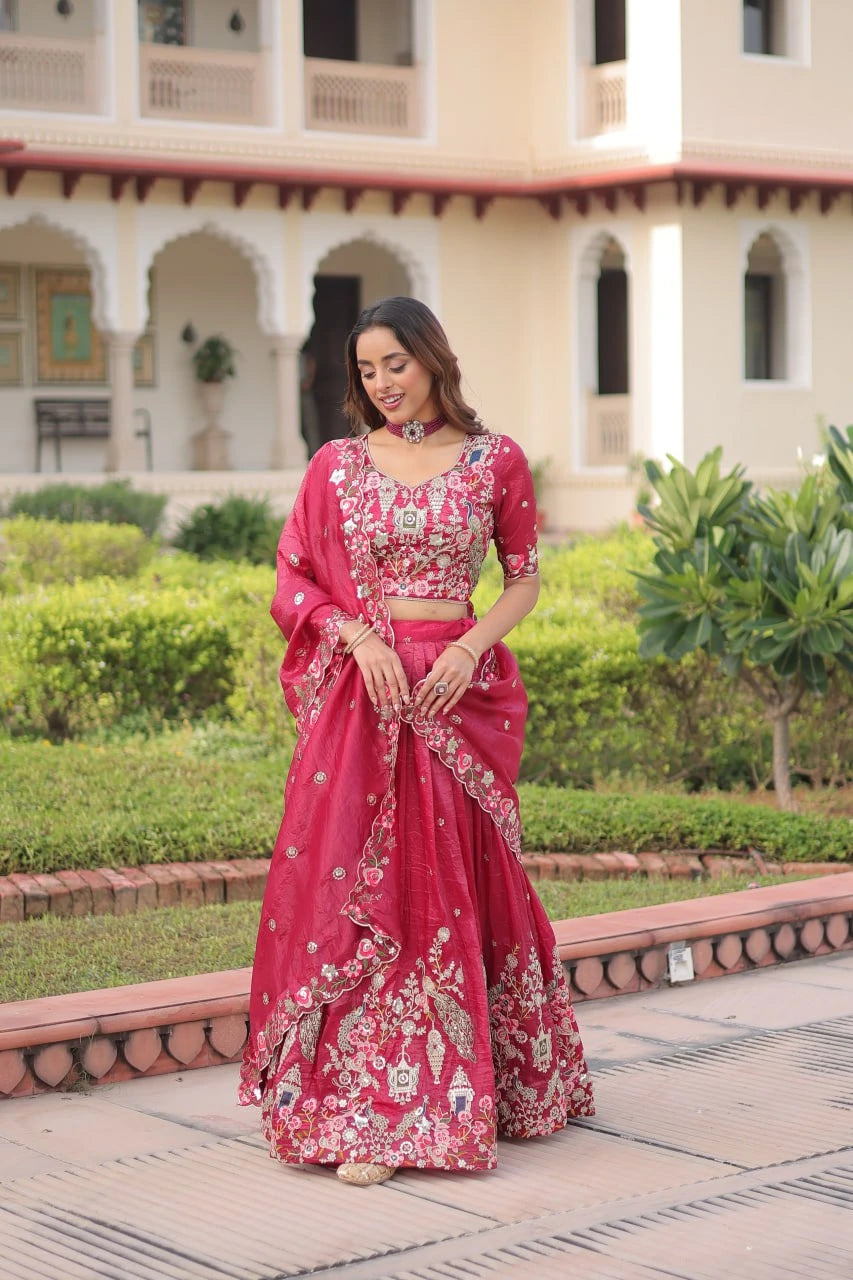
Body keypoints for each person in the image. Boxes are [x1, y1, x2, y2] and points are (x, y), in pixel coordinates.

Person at [239, 296, 594, 1185]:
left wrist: (472, 649)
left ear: (434, 358)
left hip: (451, 690)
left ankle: (452, 1098)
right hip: (363, 696)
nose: (382, 384)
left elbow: (523, 581)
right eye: (365, 370)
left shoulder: (492, 461)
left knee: (446, 885)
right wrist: (355, 638)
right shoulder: (337, 466)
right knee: (360, 889)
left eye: (394, 363)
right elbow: (291, 579)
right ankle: (362, 1106)